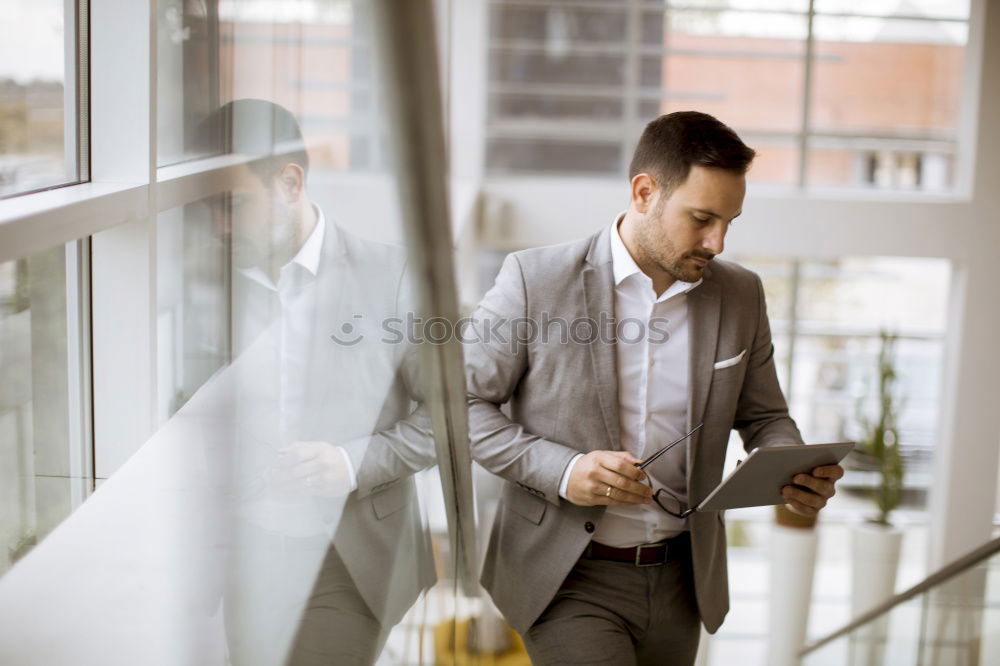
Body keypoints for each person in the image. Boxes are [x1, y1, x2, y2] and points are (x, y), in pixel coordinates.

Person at [464, 111, 844, 665]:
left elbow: (765, 416)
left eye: (729, 221)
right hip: (567, 575)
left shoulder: (741, 294)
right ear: (644, 193)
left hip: (682, 581)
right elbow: (461, 407)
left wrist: (787, 463)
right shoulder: (534, 279)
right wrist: (564, 471)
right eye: (702, 218)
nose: (717, 241)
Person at [195, 99, 436, 665]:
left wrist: (352, 462)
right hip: (246, 557)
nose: (217, 225)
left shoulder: (395, 276)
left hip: (348, 556)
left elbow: (449, 418)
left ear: (289, 182)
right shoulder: (200, 285)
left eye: (230, 205)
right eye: (206, 208)